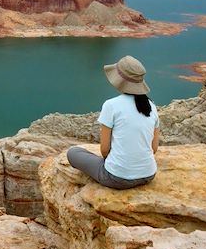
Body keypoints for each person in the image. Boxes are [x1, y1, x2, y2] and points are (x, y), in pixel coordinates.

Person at [67, 55, 159, 189]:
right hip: (148, 175)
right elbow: (154, 148)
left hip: (117, 178)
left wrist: (117, 164)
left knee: (73, 153)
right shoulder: (151, 106)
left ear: (119, 79)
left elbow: (104, 150)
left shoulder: (111, 105)